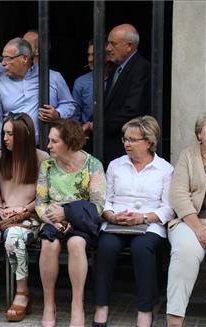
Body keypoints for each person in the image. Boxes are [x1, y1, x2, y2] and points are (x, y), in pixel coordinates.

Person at [93, 116, 174, 327]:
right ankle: (101, 307)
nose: (127, 144)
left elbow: (168, 208)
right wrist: (110, 215)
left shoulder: (165, 169)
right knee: (106, 247)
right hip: (115, 222)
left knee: (142, 248)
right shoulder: (115, 165)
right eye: (125, 139)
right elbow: (105, 200)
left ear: (148, 142)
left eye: (133, 139)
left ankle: (145, 310)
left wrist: (144, 217)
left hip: (150, 224)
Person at [0, 112, 48, 322]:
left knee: (14, 238)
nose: (5, 138)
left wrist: (23, 209)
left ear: (24, 135)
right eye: (4, 133)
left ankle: (22, 292)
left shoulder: (42, 158)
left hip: (30, 215)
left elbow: (45, 194)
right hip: (3, 213)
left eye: (10, 134)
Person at [36, 119, 106, 327]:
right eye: (49, 141)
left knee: (76, 244)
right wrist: (53, 221)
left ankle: (78, 305)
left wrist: (68, 214)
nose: (48, 146)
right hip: (52, 220)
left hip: (81, 222)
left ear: (69, 142)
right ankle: (49, 304)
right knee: (49, 244)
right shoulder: (47, 165)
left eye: (54, 141)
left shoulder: (93, 165)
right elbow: (40, 203)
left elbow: (98, 207)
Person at [166, 114, 206, 327]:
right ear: (199, 134)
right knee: (185, 253)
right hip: (189, 221)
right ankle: (175, 320)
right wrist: (199, 228)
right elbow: (179, 195)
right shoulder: (188, 156)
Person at [0, 37, 75, 144]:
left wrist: (57, 114)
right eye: (3, 58)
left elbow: (69, 105)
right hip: (12, 147)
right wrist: (1, 145)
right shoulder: (0, 82)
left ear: (24, 58)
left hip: (44, 145)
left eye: (8, 58)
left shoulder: (52, 77)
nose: (3, 63)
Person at [104, 23, 150, 167]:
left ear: (129, 46)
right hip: (111, 145)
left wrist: (98, 125)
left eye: (113, 44)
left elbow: (132, 110)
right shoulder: (117, 68)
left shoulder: (141, 68)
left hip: (127, 146)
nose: (108, 48)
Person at [71, 39, 113, 138]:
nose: (90, 59)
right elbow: (75, 116)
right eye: (88, 55)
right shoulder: (81, 82)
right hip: (88, 138)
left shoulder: (119, 78)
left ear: (108, 55)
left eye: (94, 55)